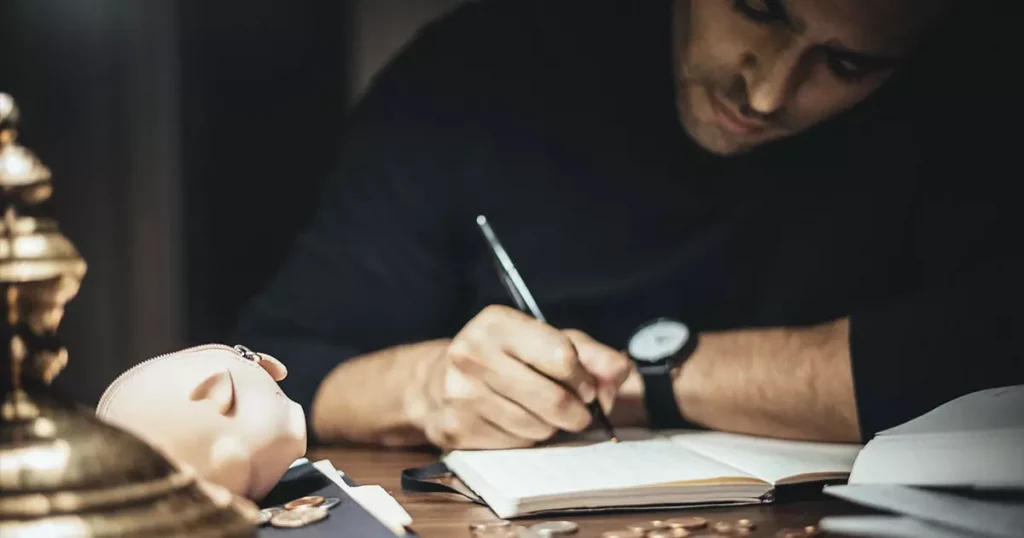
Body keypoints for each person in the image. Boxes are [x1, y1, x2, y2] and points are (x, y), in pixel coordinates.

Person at [233, 0, 1021, 450]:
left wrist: (647, 382)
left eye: (846, 65)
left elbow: (990, 349)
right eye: (758, 8)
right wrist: (427, 386)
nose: (770, 94)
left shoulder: (972, 102)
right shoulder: (482, 76)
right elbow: (284, 363)